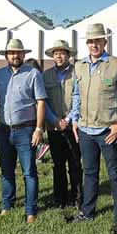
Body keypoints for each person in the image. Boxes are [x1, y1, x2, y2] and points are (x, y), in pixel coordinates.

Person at [68, 23, 117, 234]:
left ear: (105, 42)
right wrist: (75, 119)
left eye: (98, 41)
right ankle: (87, 212)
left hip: (108, 130)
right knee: (89, 173)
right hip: (85, 130)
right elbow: (76, 95)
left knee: (115, 175)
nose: (94, 44)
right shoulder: (79, 66)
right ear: (86, 44)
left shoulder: (116, 65)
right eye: (90, 41)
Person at [0, 38, 46, 224]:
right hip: (4, 131)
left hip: (26, 130)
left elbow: (40, 102)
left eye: (18, 53)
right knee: (6, 170)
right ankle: (7, 206)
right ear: (6, 55)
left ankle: (31, 211)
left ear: (23, 54)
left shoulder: (33, 74)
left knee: (29, 172)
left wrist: (39, 129)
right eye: (12, 53)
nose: (15, 56)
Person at [42, 39, 82, 209]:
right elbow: (43, 101)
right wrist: (55, 120)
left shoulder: (77, 73)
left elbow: (79, 98)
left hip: (73, 126)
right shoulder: (45, 75)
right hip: (54, 127)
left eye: (62, 53)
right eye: (56, 53)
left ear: (68, 55)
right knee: (58, 164)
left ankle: (78, 197)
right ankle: (60, 198)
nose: (59, 56)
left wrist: (68, 119)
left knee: (75, 163)